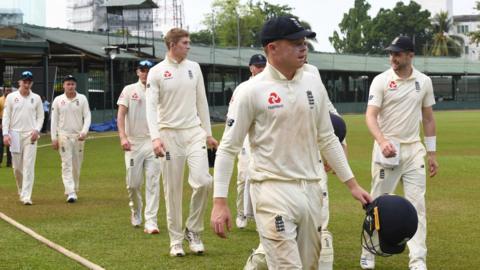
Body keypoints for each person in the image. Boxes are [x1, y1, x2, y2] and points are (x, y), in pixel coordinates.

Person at [211, 16, 371, 269]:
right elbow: (228, 148)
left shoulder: (312, 80)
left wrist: (352, 184)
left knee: (309, 265)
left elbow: (327, 136)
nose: (303, 47)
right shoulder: (250, 91)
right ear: (272, 48)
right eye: (295, 42)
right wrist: (220, 202)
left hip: (311, 188)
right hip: (272, 190)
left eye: (304, 41)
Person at [360, 36, 438, 270]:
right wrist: (382, 141)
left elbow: (428, 117)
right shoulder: (381, 81)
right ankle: (368, 252)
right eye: (391, 54)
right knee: (377, 206)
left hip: (414, 151)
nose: (392, 58)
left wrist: (432, 153)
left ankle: (417, 260)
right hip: (387, 151)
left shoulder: (423, 81)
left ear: (410, 55)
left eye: (397, 53)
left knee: (417, 207)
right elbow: (370, 115)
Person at [146, 28, 218, 257]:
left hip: (193, 133)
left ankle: (194, 231)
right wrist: (155, 138)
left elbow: (202, 102)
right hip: (169, 135)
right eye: (185, 43)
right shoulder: (156, 72)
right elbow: (150, 108)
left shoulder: (194, 68)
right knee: (173, 190)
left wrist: (207, 133)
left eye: (189, 42)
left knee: (204, 182)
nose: (189, 46)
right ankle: (176, 241)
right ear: (172, 45)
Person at [117, 60, 162, 234]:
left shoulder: (158, 90)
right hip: (134, 143)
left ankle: (151, 221)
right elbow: (121, 115)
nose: (145, 73)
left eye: (148, 70)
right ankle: (136, 210)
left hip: (153, 142)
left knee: (153, 182)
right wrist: (123, 137)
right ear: (137, 72)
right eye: (142, 70)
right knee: (133, 184)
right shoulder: (129, 90)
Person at [2, 71, 44, 205]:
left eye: (29, 82)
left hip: (30, 135)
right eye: (24, 81)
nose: (26, 84)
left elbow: (41, 116)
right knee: (17, 167)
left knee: (28, 166)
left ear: (32, 83)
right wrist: (5, 134)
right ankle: (21, 189)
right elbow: (6, 116)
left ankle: (26, 196)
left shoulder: (36, 98)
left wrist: (37, 130)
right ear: (19, 82)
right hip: (14, 134)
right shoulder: (11, 97)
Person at [235, 53, 267, 229]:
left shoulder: (271, 86)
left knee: (263, 177)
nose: (261, 68)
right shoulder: (242, 88)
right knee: (243, 176)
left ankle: (261, 215)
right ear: (251, 68)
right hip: (246, 137)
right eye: (258, 65)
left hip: (264, 137)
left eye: (263, 65)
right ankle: (241, 212)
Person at [50, 75, 91, 203]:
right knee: (66, 164)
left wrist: (84, 131)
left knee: (76, 164)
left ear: (76, 85)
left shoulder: (82, 98)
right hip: (64, 136)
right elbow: (54, 120)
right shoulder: (58, 100)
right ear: (63, 85)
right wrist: (54, 138)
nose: (70, 86)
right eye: (68, 84)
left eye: (72, 84)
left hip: (78, 137)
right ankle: (71, 192)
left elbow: (87, 116)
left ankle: (74, 188)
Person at [0, 87, 12, 168]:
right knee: (1, 144)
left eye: (10, 90)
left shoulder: (13, 100)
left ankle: (9, 162)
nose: (8, 92)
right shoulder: (0, 100)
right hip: (1, 124)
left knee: (10, 144)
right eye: (7, 90)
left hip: (11, 124)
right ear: (4, 91)